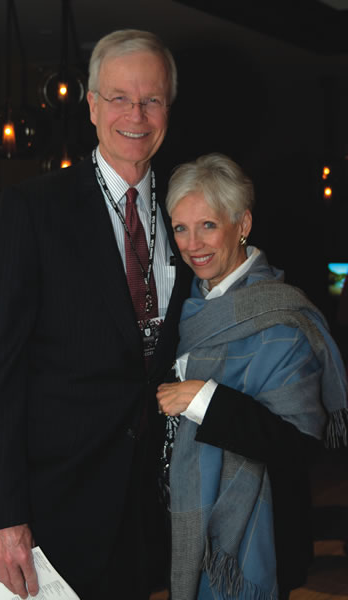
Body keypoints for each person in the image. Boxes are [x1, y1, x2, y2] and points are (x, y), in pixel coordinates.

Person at [0, 29, 192, 600]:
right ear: (92, 105)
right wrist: (2, 517)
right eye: (119, 97)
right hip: (52, 513)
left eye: (151, 99)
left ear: (168, 108)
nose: (135, 115)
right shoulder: (32, 209)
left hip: (152, 514)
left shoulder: (189, 213)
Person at [156, 153, 348, 600]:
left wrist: (204, 399)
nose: (192, 244)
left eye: (208, 225)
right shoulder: (185, 305)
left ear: (242, 224)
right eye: (181, 228)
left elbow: (297, 446)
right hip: (184, 531)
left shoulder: (282, 319)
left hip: (255, 545)